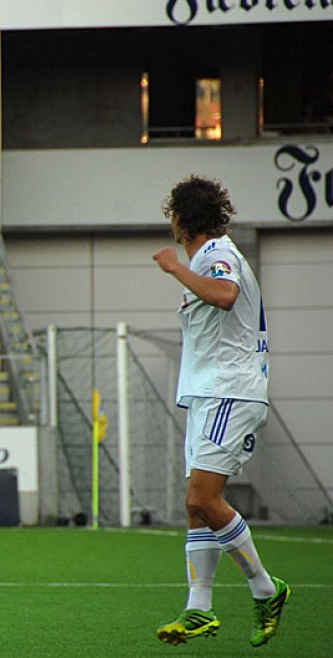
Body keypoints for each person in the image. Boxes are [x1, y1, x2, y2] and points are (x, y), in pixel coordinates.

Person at [152, 176, 289, 647]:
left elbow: (225, 295)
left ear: (181, 218)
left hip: (229, 391)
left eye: (171, 214)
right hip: (209, 394)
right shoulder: (208, 258)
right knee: (196, 508)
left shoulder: (217, 256)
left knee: (202, 501)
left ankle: (266, 589)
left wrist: (174, 270)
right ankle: (199, 610)